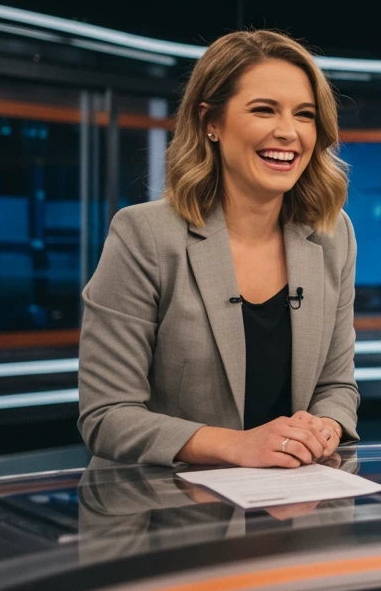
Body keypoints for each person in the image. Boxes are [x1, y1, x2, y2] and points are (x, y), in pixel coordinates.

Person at [78, 30, 359, 467]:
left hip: (293, 506)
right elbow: (107, 415)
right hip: (165, 513)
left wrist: (326, 426)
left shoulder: (332, 235)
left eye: (304, 115)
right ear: (211, 121)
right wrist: (235, 445)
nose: (288, 132)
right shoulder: (145, 235)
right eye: (264, 110)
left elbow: (336, 386)